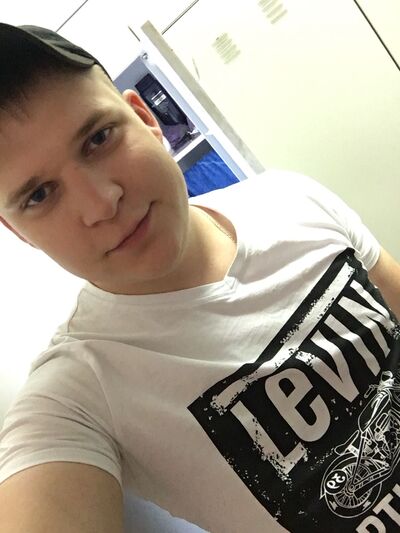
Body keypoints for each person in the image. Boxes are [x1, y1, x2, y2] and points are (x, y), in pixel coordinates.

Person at [0, 22, 399, 533]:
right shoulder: (78, 394)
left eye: (98, 139)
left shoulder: (291, 199)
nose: (102, 204)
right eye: (39, 195)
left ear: (145, 117)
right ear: (19, 232)